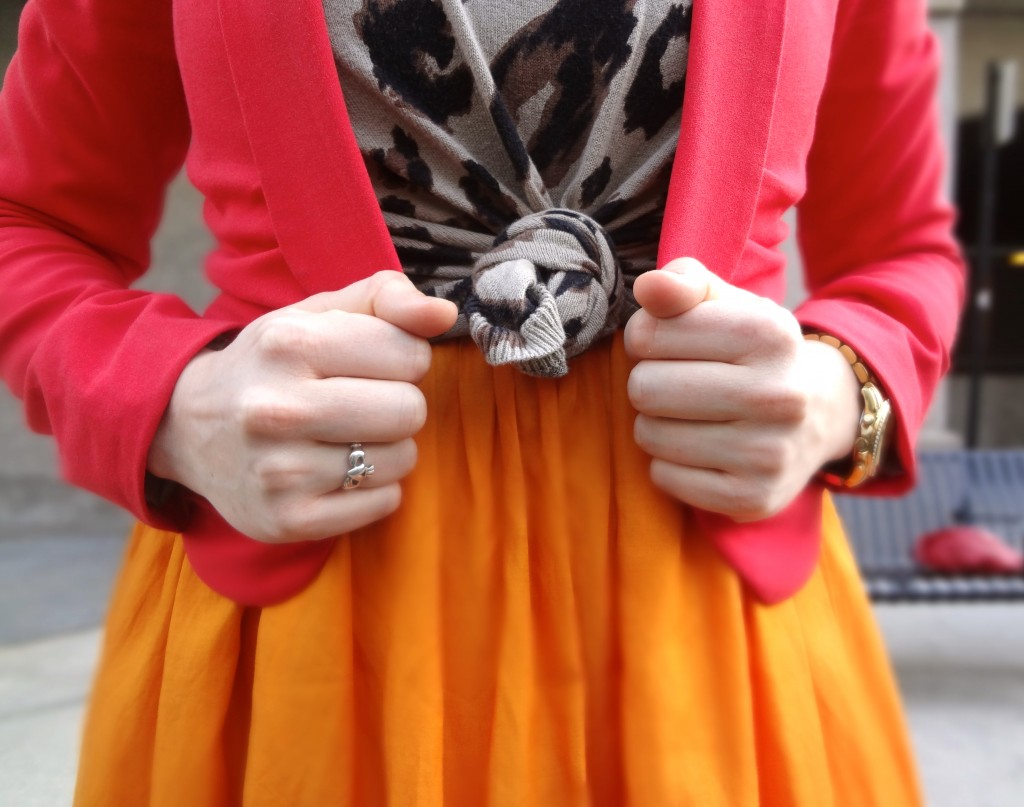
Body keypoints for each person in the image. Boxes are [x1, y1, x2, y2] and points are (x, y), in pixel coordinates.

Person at [0, 0, 964, 804]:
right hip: (316, 625)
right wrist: (175, 403)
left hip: (705, 623)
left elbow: (905, 245)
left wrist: (842, 394)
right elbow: (27, 223)